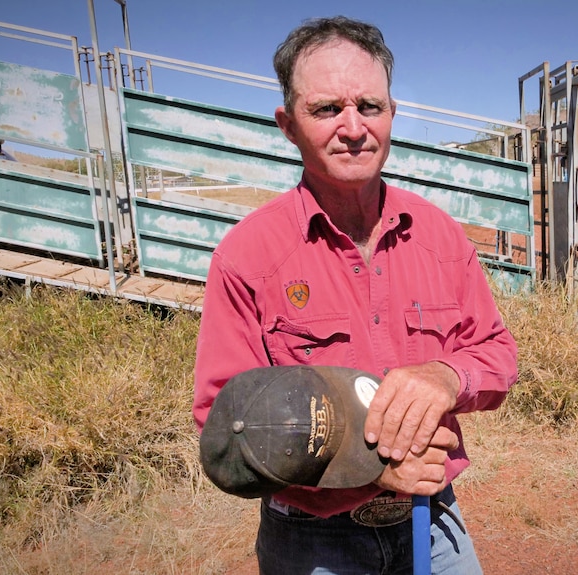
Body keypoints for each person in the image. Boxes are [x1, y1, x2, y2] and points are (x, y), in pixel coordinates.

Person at [193, 15, 518, 574]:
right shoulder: (248, 257)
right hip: (314, 539)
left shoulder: (440, 236)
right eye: (326, 109)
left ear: (392, 114)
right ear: (288, 125)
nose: (352, 127)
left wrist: (446, 376)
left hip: (431, 519)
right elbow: (223, 419)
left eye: (369, 106)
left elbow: (496, 353)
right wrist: (371, 469)